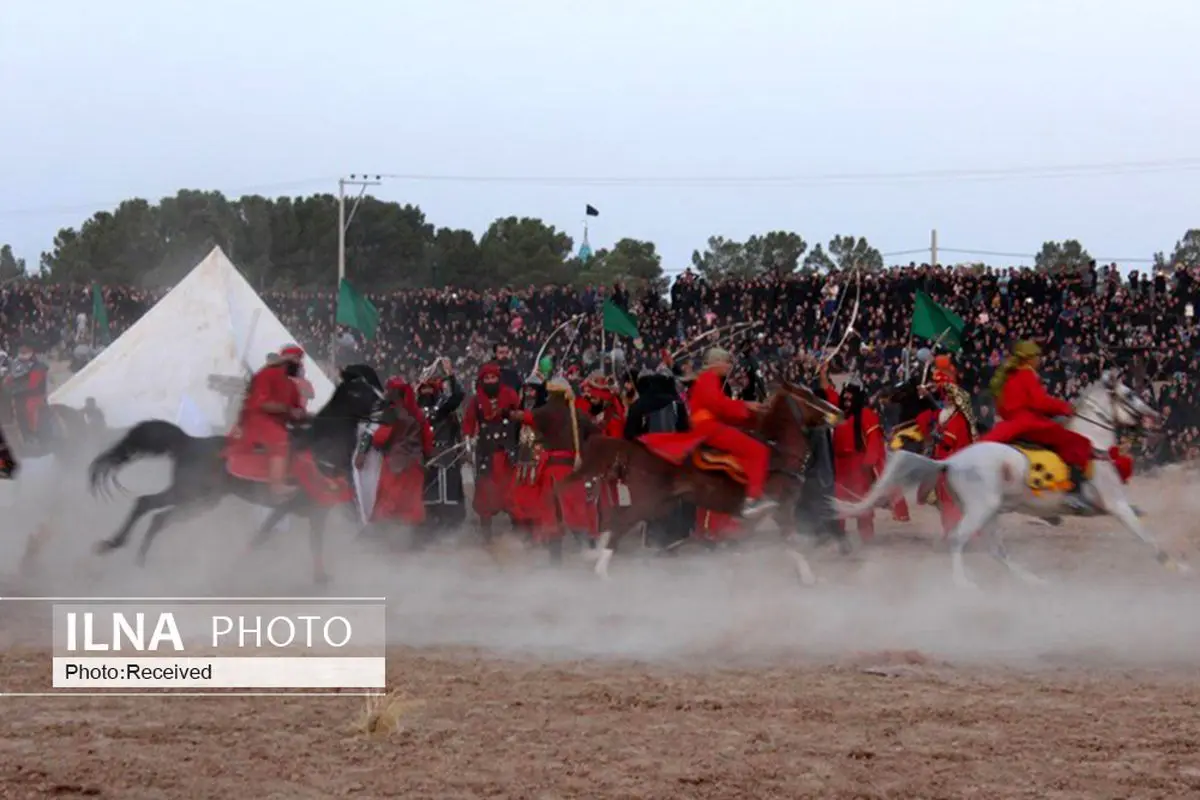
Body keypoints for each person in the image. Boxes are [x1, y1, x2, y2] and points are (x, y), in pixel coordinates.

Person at [978, 340, 1093, 510]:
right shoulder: (1026, 374)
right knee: (1076, 441)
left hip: (1011, 422)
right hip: (1029, 422)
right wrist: (1065, 407)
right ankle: (1073, 493)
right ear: (1029, 358)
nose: (1040, 360)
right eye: (1038, 356)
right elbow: (1040, 402)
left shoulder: (1008, 376)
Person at [686, 347, 775, 519]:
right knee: (758, 451)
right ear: (716, 363)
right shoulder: (709, 379)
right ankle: (752, 500)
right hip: (708, 429)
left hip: (707, 426)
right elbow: (719, 405)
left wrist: (745, 409)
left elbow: (720, 405)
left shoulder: (707, 379)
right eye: (727, 362)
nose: (729, 366)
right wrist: (746, 406)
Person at [514, 377, 600, 542]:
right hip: (574, 471)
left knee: (552, 515)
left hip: (552, 471)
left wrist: (509, 412)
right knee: (576, 511)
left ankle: (556, 559)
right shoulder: (579, 415)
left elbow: (524, 417)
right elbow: (595, 432)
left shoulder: (546, 412)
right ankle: (583, 548)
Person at [625, 366, 693, 548]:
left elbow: (629, 435)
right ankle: (675, 534)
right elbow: (685, 431)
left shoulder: (638, 406)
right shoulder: (677, 404)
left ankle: (656, 537)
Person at [230, 344, 308, 497]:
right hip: (257, 419)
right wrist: (288, 410)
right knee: (280, 438)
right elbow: (262, 404)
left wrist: (302, 415)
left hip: (277, 422)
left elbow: (296, 408)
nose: (300, 365)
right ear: (287, 361)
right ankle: (277, 485)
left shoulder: (291, 385)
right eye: (297, 361)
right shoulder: (266, 374)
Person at [914, 355, 977, 535]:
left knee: (951, 503)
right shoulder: (948, 412)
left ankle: (957, 534)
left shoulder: (957, 418)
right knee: (945, 502)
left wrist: (936, 436)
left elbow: (948, 441)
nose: (946, 398)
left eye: (948, 396)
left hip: (951, 468)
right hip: (943, 465)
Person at [821, 368, 886, 540]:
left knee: (861, 505)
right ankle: (839, 538)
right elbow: (829, 393)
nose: (847, 399)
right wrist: (823, 373)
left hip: (859, 467)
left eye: (851, 396)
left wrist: (869, 462)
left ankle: (866, 538)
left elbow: (874, 441)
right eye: (846, 395)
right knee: (839, 504)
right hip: (840, 467)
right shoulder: (839, 414)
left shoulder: (867, 415)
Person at [361, 376, 433, 526]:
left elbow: (380, 438)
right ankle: (410, 537)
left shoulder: (391, 412)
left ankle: (389, 538)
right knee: (411, 502)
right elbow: (427, 439)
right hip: (416, 465)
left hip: (396, 465)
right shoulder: (417, 413)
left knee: (390, 501)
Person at [462, 362, 521, 537]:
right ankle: (486, 532)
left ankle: (517, 529)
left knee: (511, 490)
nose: (490, 381)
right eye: (487, 378)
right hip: (486, 452)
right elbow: (469, 423)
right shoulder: (476, 400)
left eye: (493, 377)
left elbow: (519, 416)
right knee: (485, 492)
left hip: (506, 452)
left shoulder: (510, 395)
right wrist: (467, 441)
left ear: (498, 378)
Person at [416, 362, 466, 531]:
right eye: (423, 389)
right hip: (426, 456)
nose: (426, 392)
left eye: (429, 388)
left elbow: (458, 396)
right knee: (429, 495)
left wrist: (450, 375)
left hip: (446, 454)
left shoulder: (443, 407)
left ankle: (451, 529)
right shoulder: (415, 409)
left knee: (449, 495)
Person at [2, 341, 50, 443]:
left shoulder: (39, 366)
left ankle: (32, 433)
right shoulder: (17, 365)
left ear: (31, 352)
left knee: (29, 408)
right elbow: (10, 377)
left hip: (35, 395)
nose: (21, 353)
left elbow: (32, 384)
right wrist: (6, 384)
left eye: (24, 351)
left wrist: (15, 388)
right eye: (20, 351)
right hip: (18, 395)